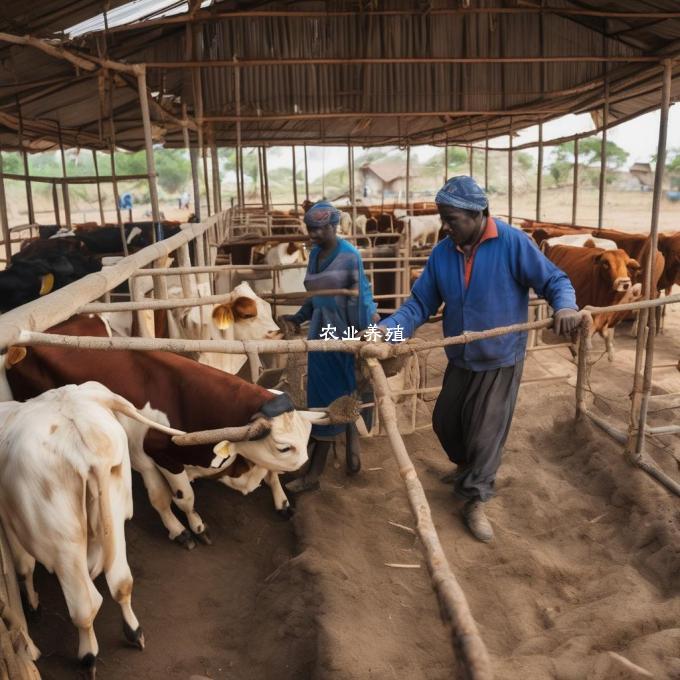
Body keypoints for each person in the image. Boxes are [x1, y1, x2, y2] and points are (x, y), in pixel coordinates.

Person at [379, 176, 580, 543]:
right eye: (442, 218)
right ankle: (465, 468)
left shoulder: (512, 242)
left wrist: (565, 306)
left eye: (451, 218)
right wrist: (387, 330)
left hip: (500, 356)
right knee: (444, 421)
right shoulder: (443, 253)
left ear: (478, 215)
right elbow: (420, 304)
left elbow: (555, 280)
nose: (445, 226)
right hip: (461, 355)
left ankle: (475, 499)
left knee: (486, 432)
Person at [280, 200, 379, 493]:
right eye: (309, 230)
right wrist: (298, 317)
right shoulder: (313, 254)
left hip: (343, 334)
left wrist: (359, 338)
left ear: (333, 227)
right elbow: (317, 294)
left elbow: (359, 300)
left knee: (328, 400)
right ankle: (350, 452)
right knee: (327, 395)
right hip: (320, 331)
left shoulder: (349, 257)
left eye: (318, 230)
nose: (312, 235)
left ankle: (313, 476)